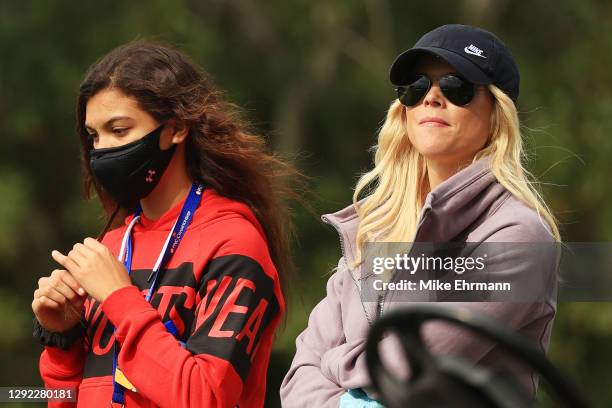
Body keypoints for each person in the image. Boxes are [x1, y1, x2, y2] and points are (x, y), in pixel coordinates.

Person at [280, 24, 560, 407]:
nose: (431, 97)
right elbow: (297, 378)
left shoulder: (518, 238)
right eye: (416, 86)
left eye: (455, 85)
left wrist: (331, 368)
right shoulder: (372, 228)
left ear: (497, 114)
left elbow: (405, 368)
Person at [32, 40, 297, 407]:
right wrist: (61, 337)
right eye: (94, 136)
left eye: (120, 130)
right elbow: (67, 399)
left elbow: (206, 396)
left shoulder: (233, 241)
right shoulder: (112, 247)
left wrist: (118, 299)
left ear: (175, 128)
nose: (103, 150)